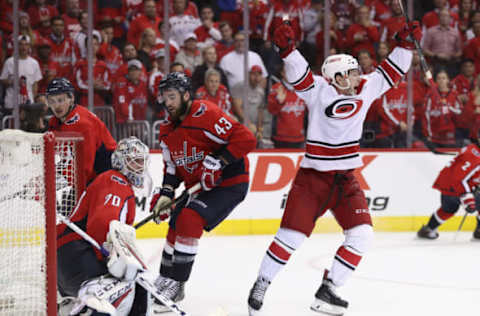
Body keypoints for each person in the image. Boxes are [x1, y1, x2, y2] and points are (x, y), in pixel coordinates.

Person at [247, 20, 421, 316]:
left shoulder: (366, 87)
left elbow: (391, 72)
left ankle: (329, 288)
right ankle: (261, 283)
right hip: (312, 180)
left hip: (345, 180)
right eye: (352, 72)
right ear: (338, 76)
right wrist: (287, 49)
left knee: (362, 234)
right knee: (292, 237)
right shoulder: (317, 90)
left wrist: (404, 45)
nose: (358, 75)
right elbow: (299, 72)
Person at [148, 72, 256, 312]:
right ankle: (165, 278)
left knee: (189, 218)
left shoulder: (205, 113)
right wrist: (166, 193)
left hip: (229, 183)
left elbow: (247, 139)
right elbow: (173, 166)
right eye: (164, 97)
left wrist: (219, 160)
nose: (168, 103)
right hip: (200, 185)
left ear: (186, 95)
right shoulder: (166, 129)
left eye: (172, 96)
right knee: (176, 221)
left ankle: (177, 284)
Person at [57, 137, 151, 316]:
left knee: (137, 285)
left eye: (142, 161)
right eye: (135, 161)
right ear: (121, 161)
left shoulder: (114, 181)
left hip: (67, 260)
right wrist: (111, 257)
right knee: (126, 289)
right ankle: (90, 306)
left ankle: (72, 305)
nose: (141, 167)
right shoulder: (116, 181)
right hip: (78, 255)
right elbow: (102, 224)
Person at [47, 77, 117, 185]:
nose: (57, 106)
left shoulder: (83, 124)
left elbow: (85, 168)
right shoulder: (54, 122)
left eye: (61, 100)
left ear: (71, 99)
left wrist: (67, 181)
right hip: (86, 173)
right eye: (52, 101)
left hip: (105, 175)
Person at [417, 129, 480, 240]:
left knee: (448, 209)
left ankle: (428, 229)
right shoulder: (475, 157)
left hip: (447, 185)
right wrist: (467, 196)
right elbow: (459, 178)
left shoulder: (472, 148)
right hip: (457, 187)